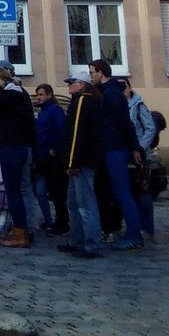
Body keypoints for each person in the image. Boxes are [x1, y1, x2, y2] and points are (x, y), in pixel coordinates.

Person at [87, 58, 143, 250]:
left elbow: (125, 122)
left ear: (101, 73)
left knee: (122, 192)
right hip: (108, 148)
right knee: (111, 191)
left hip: (116, 148)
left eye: (92, 72)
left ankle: (134, 234)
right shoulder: (105, 93)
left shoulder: (112, 94)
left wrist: (134, 146)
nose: (91, 76)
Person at [0, 65, 37, 248]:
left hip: (11, 147)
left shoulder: (9, 95)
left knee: (13, 192)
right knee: (21, 191)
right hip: (23, 146)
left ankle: (20, 233)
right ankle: (22, 230)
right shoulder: (21, 94)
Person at [57, 72, 105, 259]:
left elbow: (76, 135)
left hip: (81, 161)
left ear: (82, 85)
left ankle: (92, 244)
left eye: (72, 83)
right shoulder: (86, 101)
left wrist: (71, 162)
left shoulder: (82, 102)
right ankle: (77, 240)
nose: (69, 86)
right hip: (82, 160)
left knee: (85, 204)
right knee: (74, 202)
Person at [118, 77, 156, 240]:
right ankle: (131, 225)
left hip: (140, 155)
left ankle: (146, 227)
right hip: (123, 154)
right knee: (127, 192)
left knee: (142, 192)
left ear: (130, 87)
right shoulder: (117, 106)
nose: (122, 89)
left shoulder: (138, 105)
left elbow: (150, 128)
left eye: (124, 86)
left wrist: (139, 147)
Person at [32, 83, 68, 235]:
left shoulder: (55, 110)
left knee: (57, 192)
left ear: (49, 95)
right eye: (37, 95)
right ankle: (48, 220)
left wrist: (54, 150)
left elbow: (61, 131)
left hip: (52, 158)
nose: (38, 98)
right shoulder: (42, 113)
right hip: (41, 158)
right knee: (40, 191)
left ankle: (62, 222)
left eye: (41, 94)